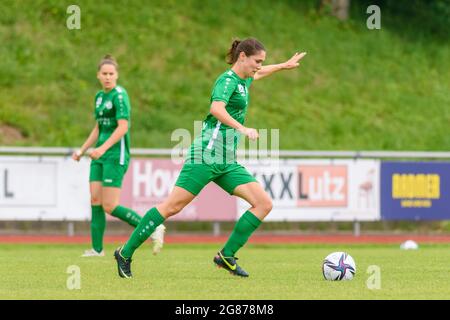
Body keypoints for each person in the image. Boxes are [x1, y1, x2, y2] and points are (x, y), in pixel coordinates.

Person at [114, 39, 306, 278]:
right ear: (243, 56)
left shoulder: (245, 79)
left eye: (262, 62)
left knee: (263, 204)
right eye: (257, 61)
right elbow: (216, 108)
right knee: (171, 207)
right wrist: (243, 129)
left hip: (225, 160)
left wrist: (283, 66)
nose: (259, 66)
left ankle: (227, 255)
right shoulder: (227, 81)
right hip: (206, 154)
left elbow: (258, 74)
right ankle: (125, 253)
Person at [72, 55, 166, 257]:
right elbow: (98, 127)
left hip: (116, 154)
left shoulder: (120, 96)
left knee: (110, 205)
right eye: (104, 74)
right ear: (98, 75)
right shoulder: (99, 96)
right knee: (95, 199)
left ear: (116, 75)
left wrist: (103, 149)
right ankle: (97, 250)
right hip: (100, 154)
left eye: (111, 74)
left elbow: (123, 127)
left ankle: (153, 227)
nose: (107, 77)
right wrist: (82, 150)